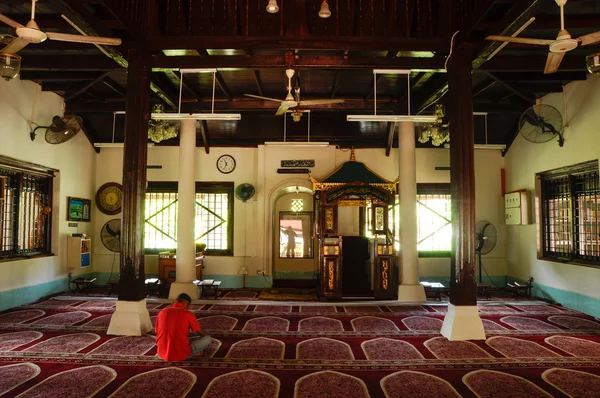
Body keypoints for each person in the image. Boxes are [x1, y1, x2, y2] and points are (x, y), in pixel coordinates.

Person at [155, 293, 212, 361]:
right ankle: (192, 352)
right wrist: (207, 336)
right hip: (181, 354)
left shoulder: (162, 312)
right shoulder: (187, 314)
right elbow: (201, 332)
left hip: (161, 354)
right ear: (187, 304)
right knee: (207, 339)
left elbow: (157, 331)